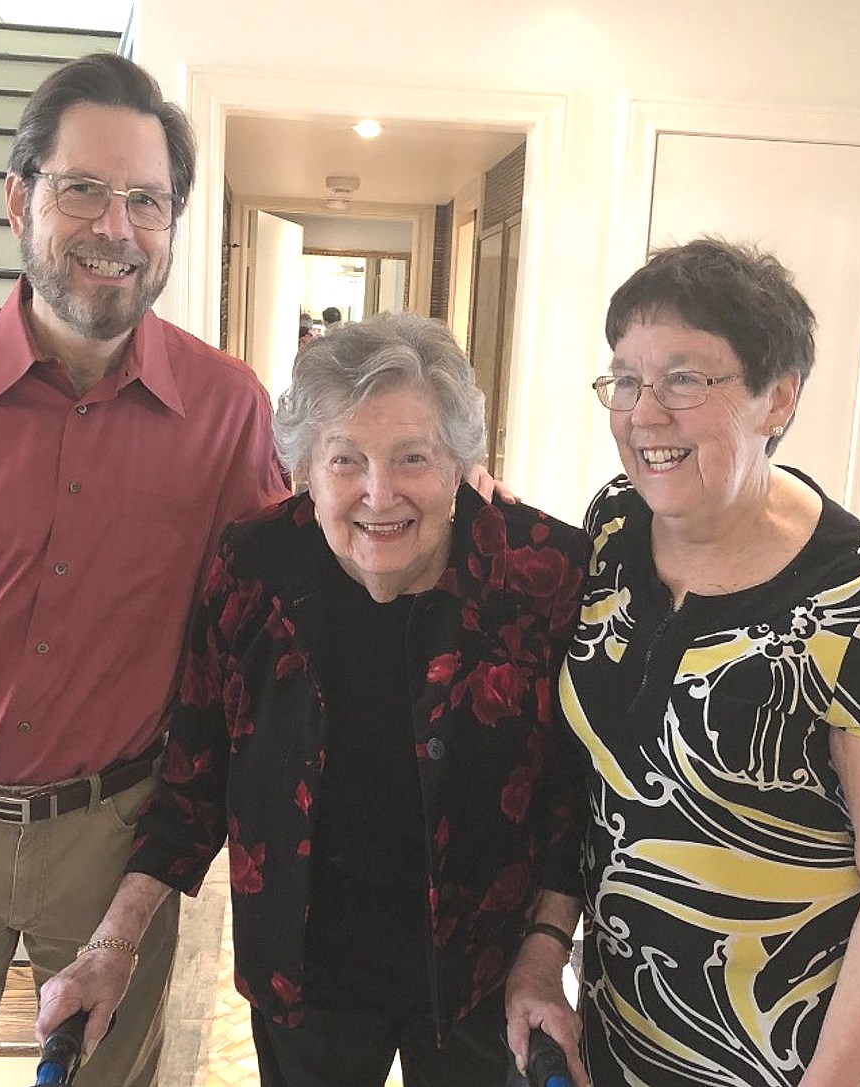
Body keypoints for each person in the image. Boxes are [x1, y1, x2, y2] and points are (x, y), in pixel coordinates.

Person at [35, 312, 590, 1086]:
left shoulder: (542, 570)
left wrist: (546, 949)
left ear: (463, 462)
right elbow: (195, 780)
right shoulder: (255, 565)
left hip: (486, 975)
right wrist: (112, 944)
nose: (379, 493)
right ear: (304, 469)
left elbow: (574, 793)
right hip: (304, 976)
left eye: (413, 457)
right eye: (345, 459)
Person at [0, 53, 288, 1087]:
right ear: (17, 198)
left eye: (146, 200)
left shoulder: (228, 409)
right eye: (82, 189)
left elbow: (261, 621)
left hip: (114, 835)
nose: (117, 227)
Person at [507, 238, 860, 1086]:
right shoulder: (616, 525)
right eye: (625, 379)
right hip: (618, 1035)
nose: (644, 414)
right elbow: (594, 780)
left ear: (777, 397)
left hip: (787, 1060)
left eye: (683, 379)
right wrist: (546, 944)